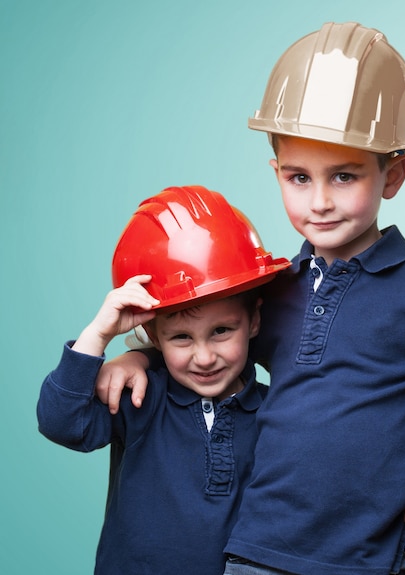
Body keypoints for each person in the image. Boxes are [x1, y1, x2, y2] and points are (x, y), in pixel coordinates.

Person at [98, 21, 405, 574]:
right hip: (254, 557)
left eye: (343, 176)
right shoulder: (274, 286)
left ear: (394, 173)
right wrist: (139, 354)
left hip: (372, 561)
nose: (319, 202)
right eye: (297, 177)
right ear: (276, 173)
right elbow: (208, 335)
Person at [37, 186, 292, 575]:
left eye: (222, 330)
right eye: (181, 338)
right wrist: (99, 335)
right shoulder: (140, 396)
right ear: (154, 336)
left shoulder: (279, 412)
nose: (204, 357)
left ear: (254, 321)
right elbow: (61, 423)